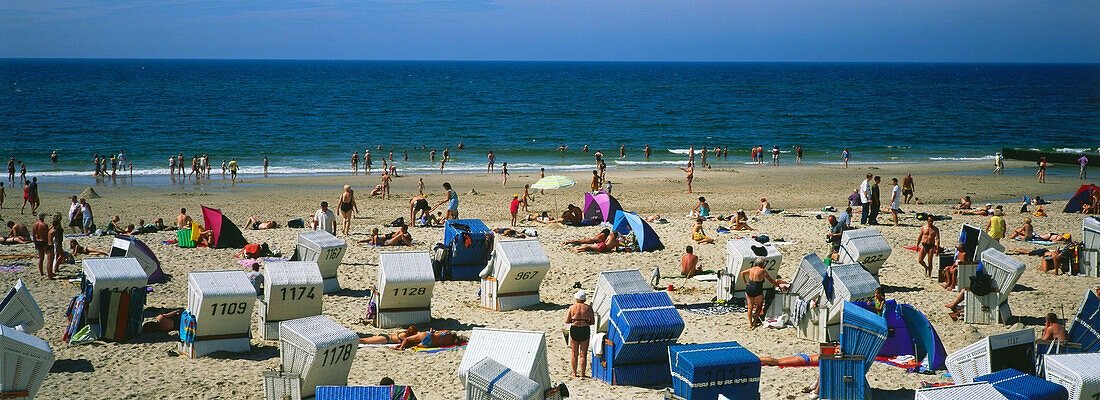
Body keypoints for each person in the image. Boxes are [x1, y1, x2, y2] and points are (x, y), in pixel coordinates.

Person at [741, 257, 780, 328]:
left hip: (749, 288)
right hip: (757, 289)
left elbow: (742, 273)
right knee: (759, 306)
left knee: (750, 307)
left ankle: (750, 323)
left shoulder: (751, 269)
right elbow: (770, 280)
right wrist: (777, 285)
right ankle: (755, 321)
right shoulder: (763, 271)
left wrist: (745, 282)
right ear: (763, 264)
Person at [566, 290, 594, 378]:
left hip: (575, 329)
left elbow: (567, 321)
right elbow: (592, 322)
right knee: (583, 354)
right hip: (585, 329)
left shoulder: (572, 307)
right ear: (584, 299)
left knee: (574, 354)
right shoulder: (588, 308)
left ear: (576, 299)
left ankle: (574, 373)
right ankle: (582, 374)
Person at [392, 329, 461, 350]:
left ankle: (401, 347)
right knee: (411, 343)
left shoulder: (447, 332)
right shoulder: (449, 343)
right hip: (428, 344)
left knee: (407, 339)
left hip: (428, 336)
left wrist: (431, 331)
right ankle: (398, 347)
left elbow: (436, 332)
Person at [32, 214, 52, 278]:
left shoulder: (35, 225)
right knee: (49, 257)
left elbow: (33, 235)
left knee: (41, 258)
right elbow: (47, 234)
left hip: (38, 241)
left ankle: (41, 273)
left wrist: (35, 244)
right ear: (44, 217)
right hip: (44, 241)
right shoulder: (44, 225)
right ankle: (49, 272)